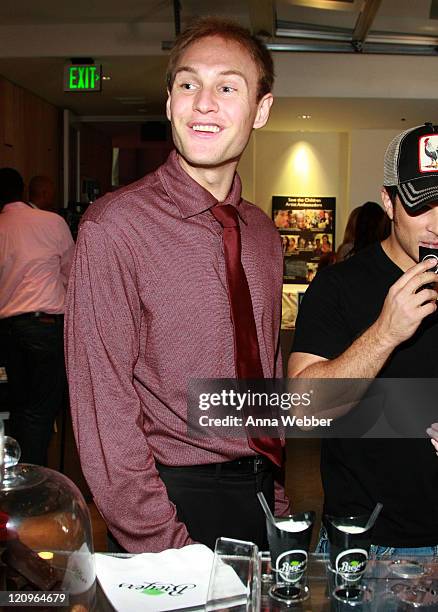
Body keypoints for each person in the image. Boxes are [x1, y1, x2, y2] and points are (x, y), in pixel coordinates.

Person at [65, 17, 290, 554]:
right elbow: (105, 410)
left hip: (259, 494)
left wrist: (277, 498)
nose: (204, 103)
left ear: (261, 110)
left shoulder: (261, 232)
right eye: (189, 84)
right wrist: (164, 545)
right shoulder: (113, 227)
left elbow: (265, 371)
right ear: (169, 103)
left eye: (228, 87)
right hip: (168, 503)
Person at [288, 123, 438, 557]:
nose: (436, 225)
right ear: (389, 202)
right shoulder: (339, 286)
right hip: (365, 547)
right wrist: (385, 333)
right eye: (421, 206)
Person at [0, 168, 74, 465]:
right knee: (41, 411)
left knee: (16, 409)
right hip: (45, 326)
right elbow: (72, 274)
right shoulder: (52, 222)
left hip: (6, 330)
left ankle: (15, 481)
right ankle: (34, 485)